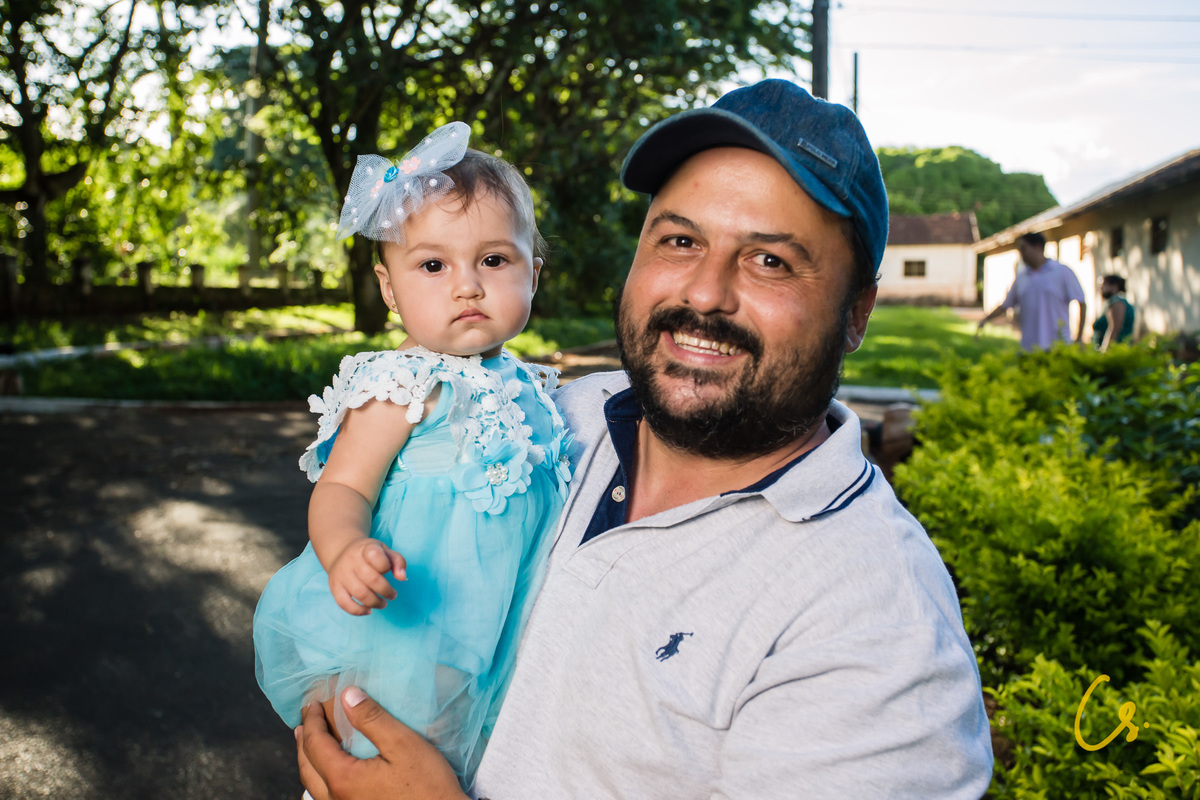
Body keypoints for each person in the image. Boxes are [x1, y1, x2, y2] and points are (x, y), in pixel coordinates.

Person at [295, 80, 994, 799]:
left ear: (857, 313)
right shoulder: (554, 419)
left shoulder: (878, 625)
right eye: (681, 241)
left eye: (770, 260)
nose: (704, 292)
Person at [252, 121, 574, 789]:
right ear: (390, 288)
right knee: (391, 756)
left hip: (504, 633)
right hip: (411, 633)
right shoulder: (402, 382)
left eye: (494, 261)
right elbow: (344, 488)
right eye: (433, 266)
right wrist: (346, 550)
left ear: (533, 274)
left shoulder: (531, 387)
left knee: (481, 767)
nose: (467, 286)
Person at [977, 231, 1087, 351]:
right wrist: (985, 319)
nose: (1021, 254)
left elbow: (1081, 302)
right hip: (1029, 348)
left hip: (1058, 347)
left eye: (1024, 249)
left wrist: (1079, 337)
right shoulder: (1022, 277)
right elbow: (1005, 305)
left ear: (1038, 247)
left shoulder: (1062, 272)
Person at [1092, 274, 1135, 351]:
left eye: (1103, 285)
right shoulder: (1115, 301)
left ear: (1114, 286)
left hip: (1117, 349)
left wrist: (1106, 350)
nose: (1101, 289)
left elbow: (1114, 329)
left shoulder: (1117, 302)